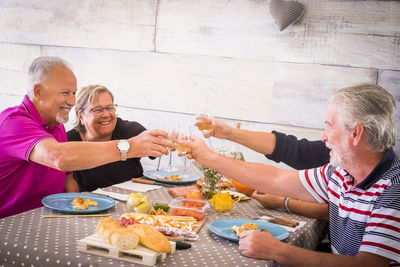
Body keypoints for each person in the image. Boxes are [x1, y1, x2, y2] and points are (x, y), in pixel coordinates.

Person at [185, 84, 399, 266]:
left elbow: (367, 265)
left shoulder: (393, 190)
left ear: (356, 133)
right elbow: (275, 179)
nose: (323, 137)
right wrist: (208, 158)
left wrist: (277, 251)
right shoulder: (340, 172)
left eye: (329, 126)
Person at [0, 56, 172, 218]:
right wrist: (129, 147)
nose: (73, 101)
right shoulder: (13, 122)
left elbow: (67, 179)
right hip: (12, 223)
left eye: (73, 93)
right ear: (39, 92)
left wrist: (80, 204)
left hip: (50, 217)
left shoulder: (57, 126)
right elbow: (59, 157)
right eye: (65, 92)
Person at [196, 116, 330, 220]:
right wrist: (229, 133)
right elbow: (291, 150)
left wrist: (283, 203)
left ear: (352, 134)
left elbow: (329, 212)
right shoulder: (333, 172)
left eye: (331, 126)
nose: (323, 137)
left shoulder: (336, 172)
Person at [67, 85, 152, 192]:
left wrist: (171, 141)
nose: (106, 114)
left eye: (110, 108)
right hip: (91, 205)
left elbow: (154, 144)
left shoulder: (129, 130)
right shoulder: (69, 141)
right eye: (98, 110)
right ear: (81, 117)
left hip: (135, 201)